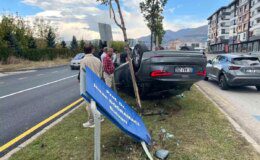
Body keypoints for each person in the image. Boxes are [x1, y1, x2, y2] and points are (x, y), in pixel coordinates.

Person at [79, 44, 103, 128]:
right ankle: (98, 118)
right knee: (97, 102)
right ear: (92, 50)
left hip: (88, 84)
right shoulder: (98, 60)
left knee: (89, 104)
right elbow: (100, 72)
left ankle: (93, 120)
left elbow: (83, 74)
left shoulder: (83, 61)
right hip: (97, 83)